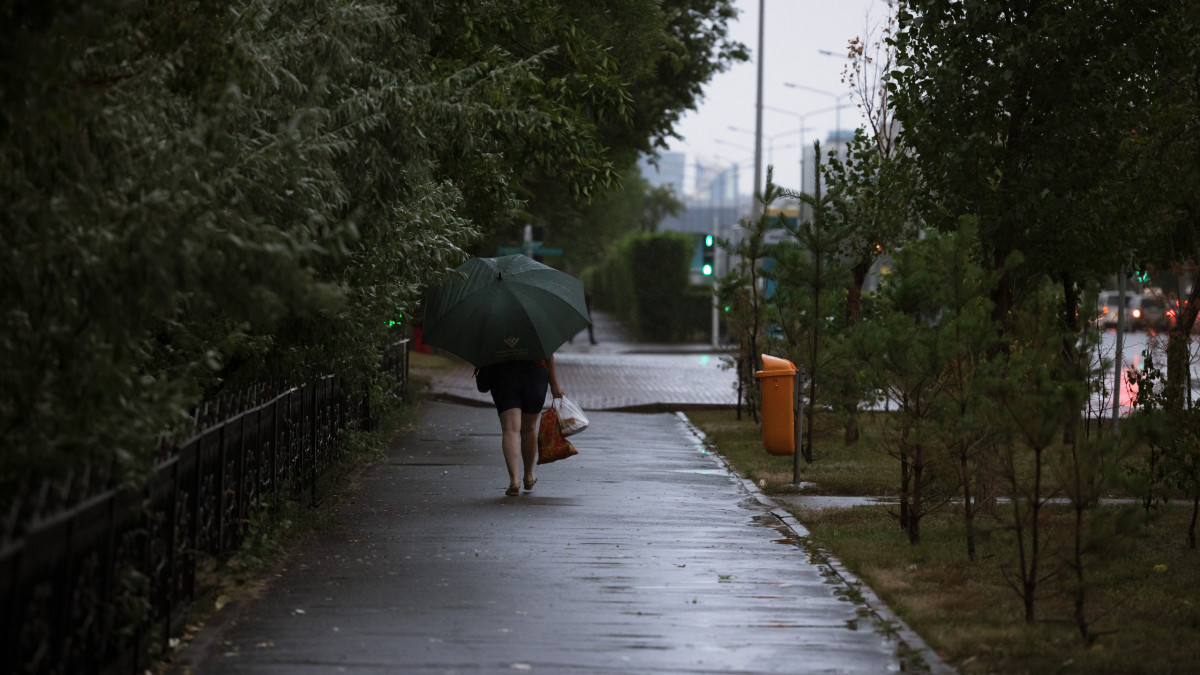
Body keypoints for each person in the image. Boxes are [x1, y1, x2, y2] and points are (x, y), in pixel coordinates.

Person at [478, 357, 564, 495]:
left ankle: (514, 480)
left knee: (510, 430)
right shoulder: (536, 334)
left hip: (502, 373)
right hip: (534, 373)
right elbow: (548, 353)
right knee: (529, 428)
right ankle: (529, 476)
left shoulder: (494, 334)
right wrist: (554, 384)